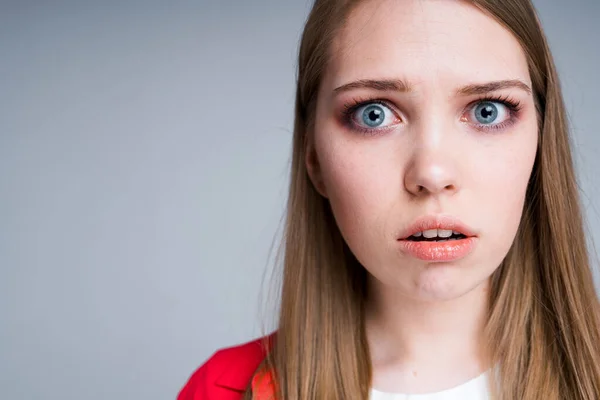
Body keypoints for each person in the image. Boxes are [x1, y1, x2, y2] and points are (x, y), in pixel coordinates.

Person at [178, 0, 600, 398]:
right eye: (374, 113)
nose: (433, 173)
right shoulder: (225, 391)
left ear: (542, 143)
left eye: (487, 110)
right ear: (314, 157)